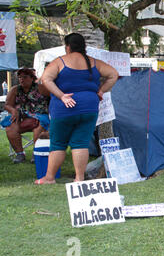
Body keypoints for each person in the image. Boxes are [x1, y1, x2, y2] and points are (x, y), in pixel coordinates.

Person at [34, 33, 119, 184]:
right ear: (83, 46)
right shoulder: (94, 62)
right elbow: (113, 74)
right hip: (89, 107)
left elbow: (46, 79)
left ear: (67, 47)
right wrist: (100, 91)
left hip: (64, 109)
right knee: (80, 143)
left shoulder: (60, 61)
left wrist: (62, 96)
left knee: (58, 143)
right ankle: (79, 178)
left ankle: (49, 177)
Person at [1, 68, 50, 163]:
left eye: (25, 77)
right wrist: (13, 110)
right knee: (10, 127)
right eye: (19, 77)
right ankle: (20, 154)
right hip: (21, 115)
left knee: (39, 126)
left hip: (39, 115)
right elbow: (7, 105)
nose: (21, 79)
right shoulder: (15, 89)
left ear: (32, 78)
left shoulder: (40, 88)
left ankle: (36, 153)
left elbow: (54, 97)